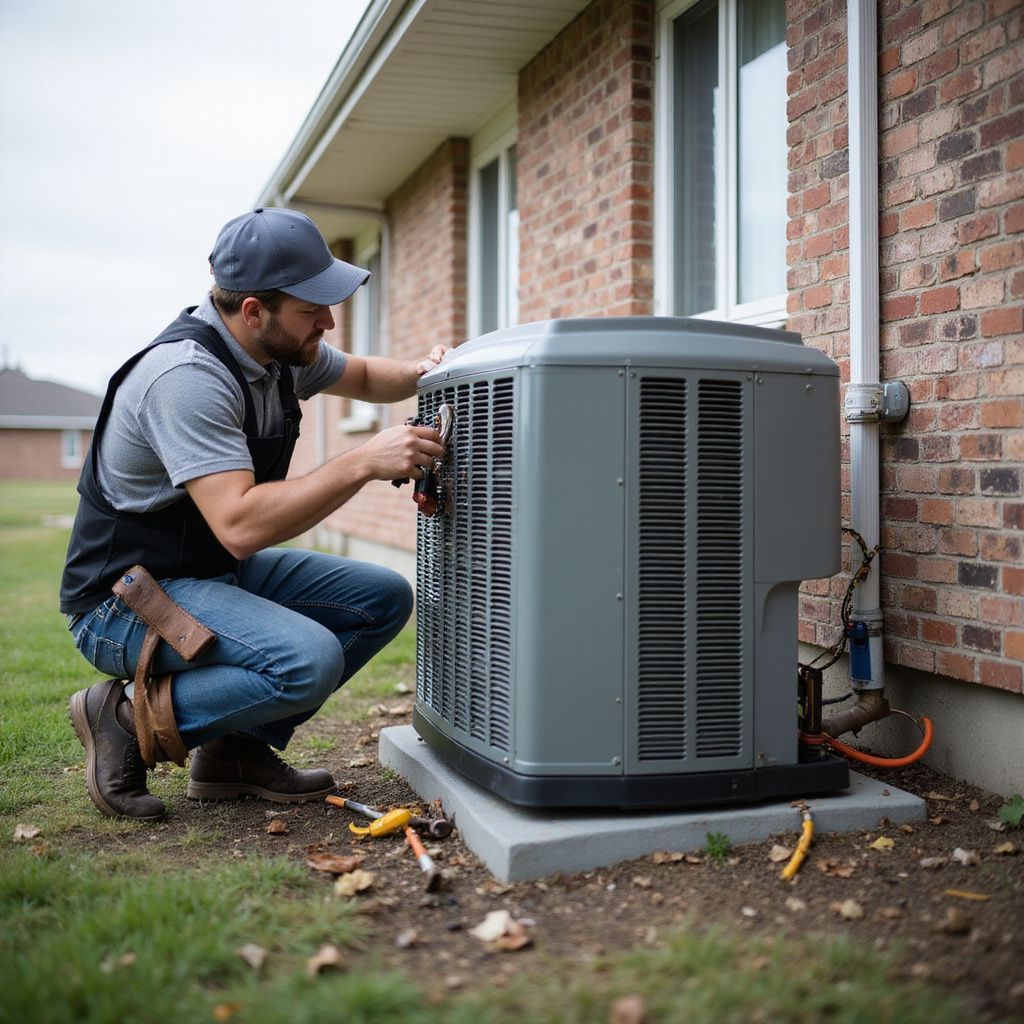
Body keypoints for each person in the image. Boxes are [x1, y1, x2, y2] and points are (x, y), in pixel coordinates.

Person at [60, 207, 446, 821]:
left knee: (383, 597)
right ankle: (125, 718)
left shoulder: (280, 351)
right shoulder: (187, 378)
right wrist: (362, 461)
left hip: (209, 574)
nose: (328, 320)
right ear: (252, 311)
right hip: (124, 599)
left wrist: (435, 373)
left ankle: (234, 753)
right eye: (311, 307)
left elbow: (371, 375)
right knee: (306, 660)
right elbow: (241, 525)